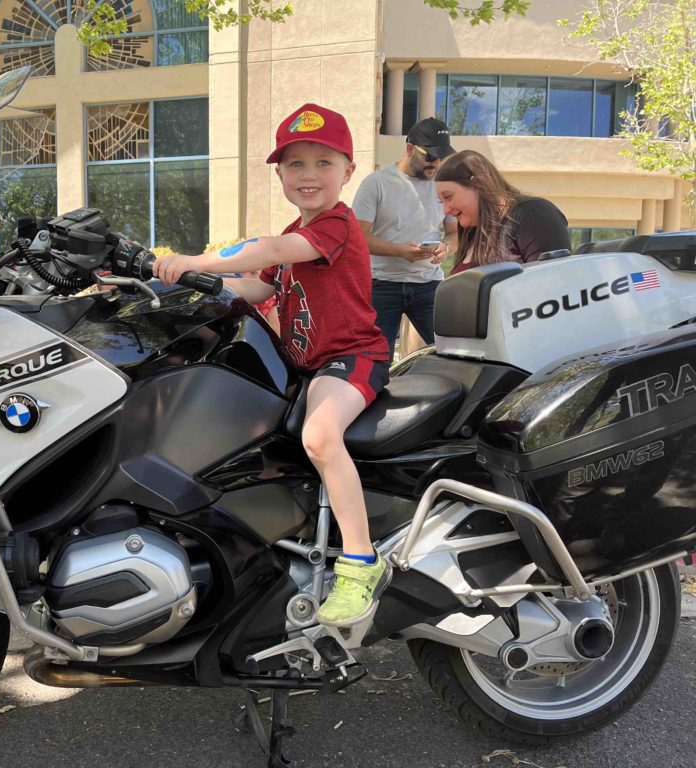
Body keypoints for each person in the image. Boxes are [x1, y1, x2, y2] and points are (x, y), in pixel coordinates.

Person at [154, 103, 392, 626]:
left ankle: (361, 560)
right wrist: (183, 289)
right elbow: (259, 284)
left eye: (323, 162)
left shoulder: (335, 226)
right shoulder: (297, 231)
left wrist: (197, 259)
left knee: (321, 437)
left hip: (351, 357)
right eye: (295, 164)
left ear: (348, 171)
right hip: (305, 366)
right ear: (279, 173)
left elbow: (270, 251)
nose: (308, 175)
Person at [352, 118, 458, 363]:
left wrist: (446, 248)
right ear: (409, 148)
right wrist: (399, 251)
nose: (437, 163)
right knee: (375, 363)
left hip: (428, 284)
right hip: (381, 285)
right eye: (430, 156)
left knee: (454, 353)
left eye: (442, 157)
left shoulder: (442, 186)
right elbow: (358, 238)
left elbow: (454, 233)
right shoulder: (376, 184)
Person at [434, 150, 571, 273]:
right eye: (441, 201)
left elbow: (555, 283)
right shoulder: (470, 232)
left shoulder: (533, 214)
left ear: (478, 185)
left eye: (448, 197)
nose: (445, 210)